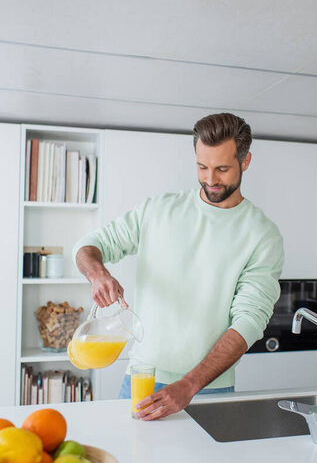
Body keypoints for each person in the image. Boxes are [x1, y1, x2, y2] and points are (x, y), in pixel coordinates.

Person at [73, 113, 284, 420]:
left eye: (222, 169)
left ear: (246, 161)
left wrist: (188, 385)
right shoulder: (158, 210)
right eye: (202, 167)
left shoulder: (263, 235)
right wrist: (98, 273)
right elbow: (90, 245)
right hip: (141, 379)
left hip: (208, 389)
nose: (210, 179)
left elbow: (249, 322)